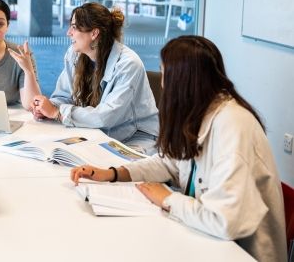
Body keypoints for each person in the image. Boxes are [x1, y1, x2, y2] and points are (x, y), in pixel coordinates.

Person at [70, 36, 286, 262]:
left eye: (165, 75)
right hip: (204, 239)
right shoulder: (200, 111)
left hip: (239, 252)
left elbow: (225, 222)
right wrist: (115, 173)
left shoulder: (233, 125)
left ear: (185, 81)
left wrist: (167, 199)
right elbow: (169, 162)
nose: (162, 84)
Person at [31, 2, 159, 154]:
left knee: (105, 169)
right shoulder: (75, 54)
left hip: (134, 139)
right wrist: (48, 108)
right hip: (98, 133)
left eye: (74, 27)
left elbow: (106, 116)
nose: (68, 33)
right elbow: (63, 96)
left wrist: (57, 113)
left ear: (94, 33)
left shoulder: (129, 64)